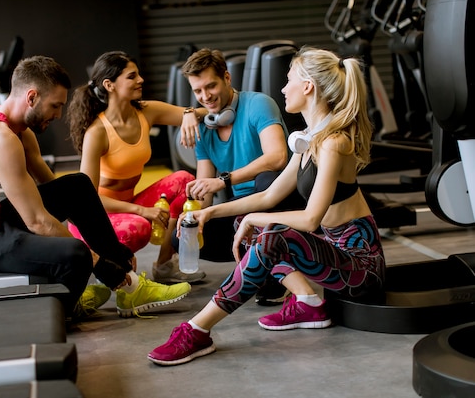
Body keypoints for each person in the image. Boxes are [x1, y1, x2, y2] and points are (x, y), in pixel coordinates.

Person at [147, 46, 386, 365]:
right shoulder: (309, 140)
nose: (283, 88)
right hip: (333, 252)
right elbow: (270, 196)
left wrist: (254, 219)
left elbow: (312, 218)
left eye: (289, 81)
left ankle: (196, 330)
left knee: (270, 235)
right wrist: (209, 212)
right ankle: (307, 303)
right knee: (254, 225)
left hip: (361, 268)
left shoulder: (334, 143)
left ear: (308, 87)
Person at [0, 55, 191, 320]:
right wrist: (101, 265)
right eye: (54, 106)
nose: (57, 115)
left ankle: (130, 287)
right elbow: (38, 222)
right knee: (77, 254)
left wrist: (116, 255)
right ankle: (76, 305)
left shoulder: (21, 132)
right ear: (31, 97)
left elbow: (58, 190)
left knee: (78, 185)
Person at [67, 50, 205, 285]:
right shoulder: (97, 132)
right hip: (96, 219)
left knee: (184, 180)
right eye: (132, 76)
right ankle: (113, 269)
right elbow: (86, 199)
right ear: (109, 85)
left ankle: (163, 265)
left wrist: (190, 113)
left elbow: (201, 112)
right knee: (140, 226)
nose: (140, 80)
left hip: (128, 206)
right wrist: (142, 211)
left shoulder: (145, 111)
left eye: (138, 75)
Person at [176, 48, 302, 264]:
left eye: (211, 86)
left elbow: (278, 157)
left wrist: (223, 180)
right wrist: (193, 214)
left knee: (266, 178)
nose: (205, 97)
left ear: (227, 77)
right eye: (198, 91)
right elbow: (204, 192)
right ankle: (260, 261)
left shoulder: (258, 103)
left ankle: (275, 262)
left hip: (280, 197)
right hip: (241, 206)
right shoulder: (203, 129)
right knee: (179, 237)